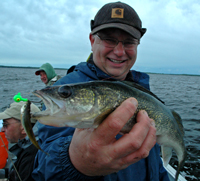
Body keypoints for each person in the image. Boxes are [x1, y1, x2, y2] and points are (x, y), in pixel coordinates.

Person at [32, 2, 170, 181]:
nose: (119, 52)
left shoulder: (143, 91)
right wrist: (74, 162)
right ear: (92, 40)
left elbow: (155, 163)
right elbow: (44, 164)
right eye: (109, 40)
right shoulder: (66, 89)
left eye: (129, 42)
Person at [0, 101, 40, 181]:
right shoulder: (28, 147)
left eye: (5, 125)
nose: (2, 129)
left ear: (23, 128)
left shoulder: (31, 156)